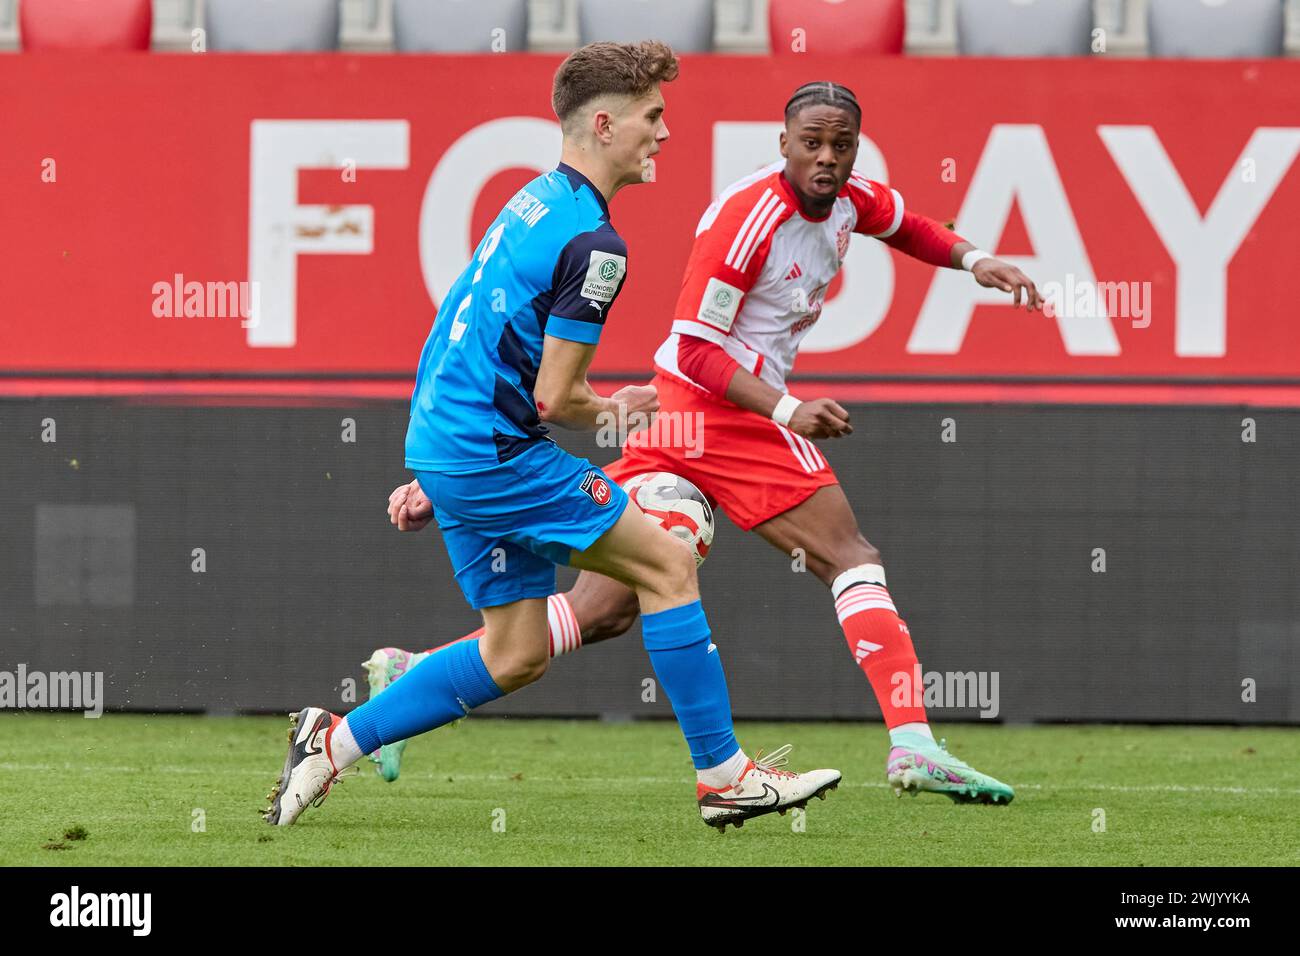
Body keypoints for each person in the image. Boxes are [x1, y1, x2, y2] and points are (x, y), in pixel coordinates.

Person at [263, 45, 840, 832]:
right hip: (496, 455)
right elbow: (558, 397)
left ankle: (331, 742)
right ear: (605, 124)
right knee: (669, 562)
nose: (665, 134)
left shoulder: (531, 202)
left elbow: (459, 332)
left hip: (449, 442)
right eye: (653, 117)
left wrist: (437, 467)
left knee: (516, 652)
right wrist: (620, 411)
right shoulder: (597, 246)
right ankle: (724, 776)